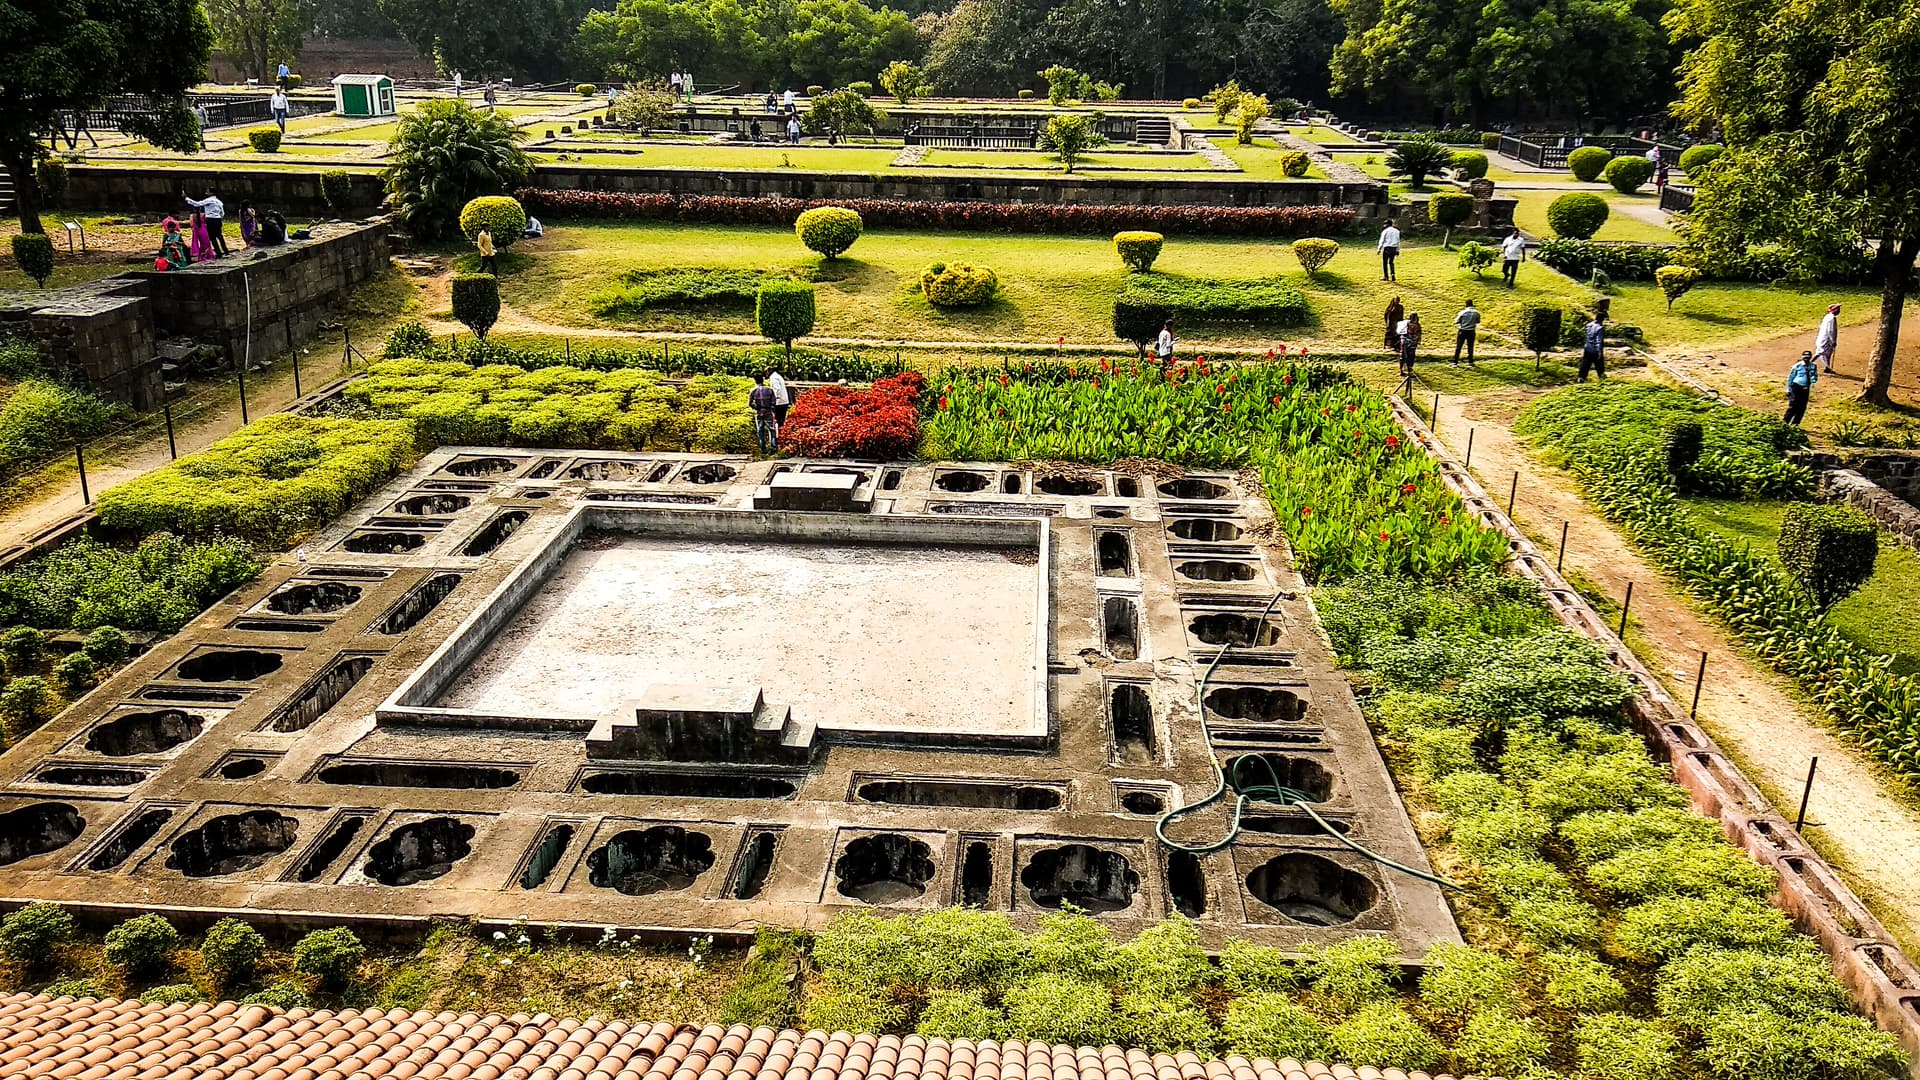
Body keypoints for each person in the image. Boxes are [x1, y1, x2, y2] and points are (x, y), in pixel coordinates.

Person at [183, 188, 229, 256]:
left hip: (210, 219)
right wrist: (219, 217)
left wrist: (186, 198)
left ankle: (218, 253)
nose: (206, 192)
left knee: (212, 237)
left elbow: (197, 204)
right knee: (219, 236)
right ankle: (226, 251)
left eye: (208, 191)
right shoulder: (219, 201)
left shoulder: (209, 200)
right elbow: (222, 212)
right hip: (218, 219)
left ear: (211, 193)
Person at [1784, 350, 1818, 426]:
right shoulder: (1797, 366)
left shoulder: (1813, 366)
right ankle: (1785, 422)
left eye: (1808, 357)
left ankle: (1795, 423)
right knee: (1793, 405)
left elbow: (1815, 376)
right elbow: (1790, 378)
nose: (1806, 359)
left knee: (1802, 407)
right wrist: (1788, 389)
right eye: (1805, 357)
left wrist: (1812, 380)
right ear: (1802, 357)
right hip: (1796, 387)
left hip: (1806, 388)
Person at [749, 374, 780, 455]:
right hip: (768, 411)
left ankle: (763, 449)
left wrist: (757, 408)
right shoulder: (770, 390)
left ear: (755, 381)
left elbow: (750, 403)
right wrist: (772, 411)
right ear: (763, 380)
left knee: (760, 430)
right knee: (772, 430)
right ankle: (773, 448)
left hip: (759, 413)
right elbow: (773, 403)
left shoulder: (753, 391)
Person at [1579, 313, 1607, 380]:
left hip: (1587, 348)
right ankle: (1602, 378)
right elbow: (1599, 340)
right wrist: (1599, 351)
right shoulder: (1600, 328)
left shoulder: (1589, 325)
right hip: (1595, 350)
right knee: (1599, 365)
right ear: (1601, 319)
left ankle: (1581, 377)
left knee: (1585, 364)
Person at [1452, 299, 1480, 363]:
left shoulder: (1463, 312)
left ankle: (1455, 361)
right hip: (1472, 331)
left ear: (1466, 304)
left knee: (1459, 346)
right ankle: (1470, 361)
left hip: (1463, 330)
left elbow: (1456, 321)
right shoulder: (1477, 313)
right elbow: (1478, 322)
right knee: (1470, 346)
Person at [1815, 303, 1840, 372]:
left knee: (1825, 353)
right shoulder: (1832, 318)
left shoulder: (1828, 317)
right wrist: (1833, 341)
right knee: (1822, 352)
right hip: (1826, 339)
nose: (1839, 311)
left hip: (1823, 337)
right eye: (1838, 309)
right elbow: (1831, 331)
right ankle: (1808, 364)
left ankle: (1827, 367)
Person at [1397, 312, 1422, 378]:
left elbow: (1419, 334)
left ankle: (1409, 370)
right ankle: (1402, 370)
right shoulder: (1407, 324)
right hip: (1406, 342)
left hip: (1412, 343)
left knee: (1411, 357)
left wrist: (1417, 340)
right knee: (1404, 356)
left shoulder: (1417, 325)